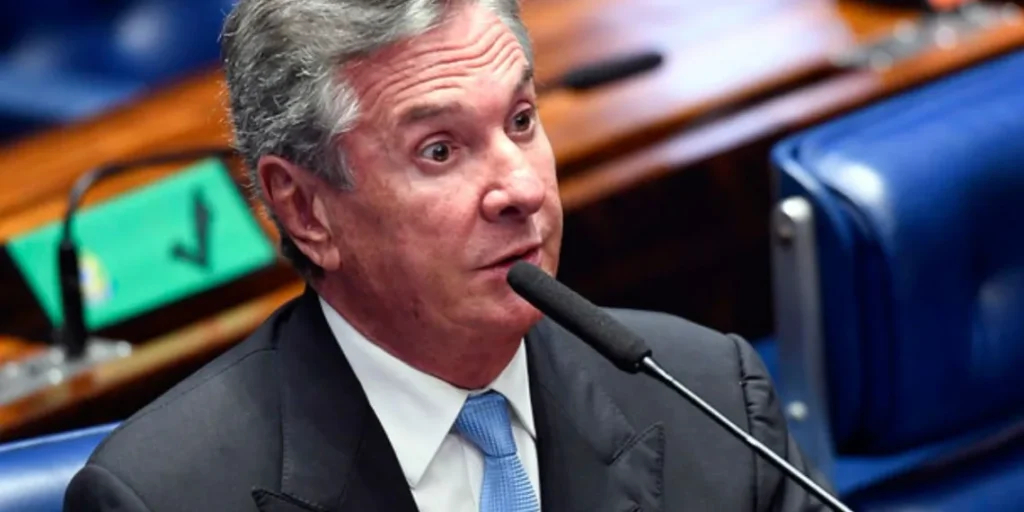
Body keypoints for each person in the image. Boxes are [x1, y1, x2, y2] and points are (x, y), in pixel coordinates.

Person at [65, 0, 830, 510]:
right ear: (305, 210)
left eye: (522, 121)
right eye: (439, 150)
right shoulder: (165, 496)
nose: (521, 187)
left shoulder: (712, 399)